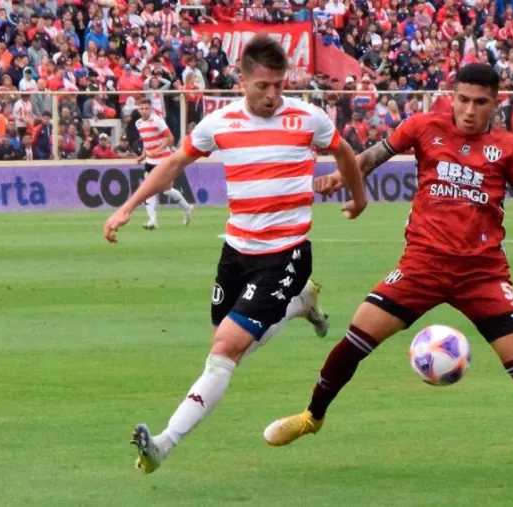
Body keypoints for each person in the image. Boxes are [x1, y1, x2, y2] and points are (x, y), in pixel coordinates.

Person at [263, 64, 513, 477]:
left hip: (483, 273)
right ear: (452, 97)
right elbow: (371, 157)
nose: (469, 110)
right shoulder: (423, 126)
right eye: (462, 100)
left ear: (495, 102)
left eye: (480, 102)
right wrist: (339, 176)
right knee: (355, 339)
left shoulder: (508, 147)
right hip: (422, 266)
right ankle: (311, 417)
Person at [102, 35, 368, 475]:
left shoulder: (308, 118)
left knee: (225, 350)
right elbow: (173, 164)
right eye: (263, 86)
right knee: (227, 347)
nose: (272, 95)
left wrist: (359, 198)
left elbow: (343, 153)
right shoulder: (219, 123)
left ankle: (163, 444)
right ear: (242, 81)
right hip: (236, 253)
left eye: (279, 85)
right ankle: (300, 304)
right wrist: (128, 207)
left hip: (285, 255)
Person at [134, 97, 194, 229]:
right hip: (150, 161)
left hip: (164, 159)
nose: (144, 111)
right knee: (147, 189)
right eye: (141, 108)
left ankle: (186, 208)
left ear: (151, 108)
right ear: (138, 110)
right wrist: (143, 155)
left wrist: (156, 151)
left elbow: (170, 138)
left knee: (166, 190)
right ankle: (152, 220)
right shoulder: (138, 123)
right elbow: (146, 141)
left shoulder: (157, 121)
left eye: (146, 108)